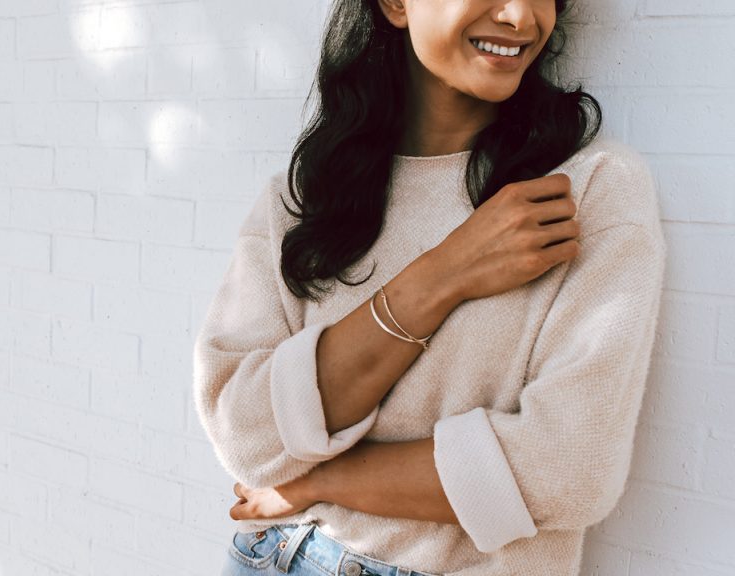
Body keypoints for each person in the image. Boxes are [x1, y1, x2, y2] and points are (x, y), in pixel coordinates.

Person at [191, 0, 667, 575]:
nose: (520, 18)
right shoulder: (307, 195)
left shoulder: (583, 192)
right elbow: (242, 430)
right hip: (275, 555)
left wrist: (320, 478)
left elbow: (567, 469)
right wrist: (447, 271)